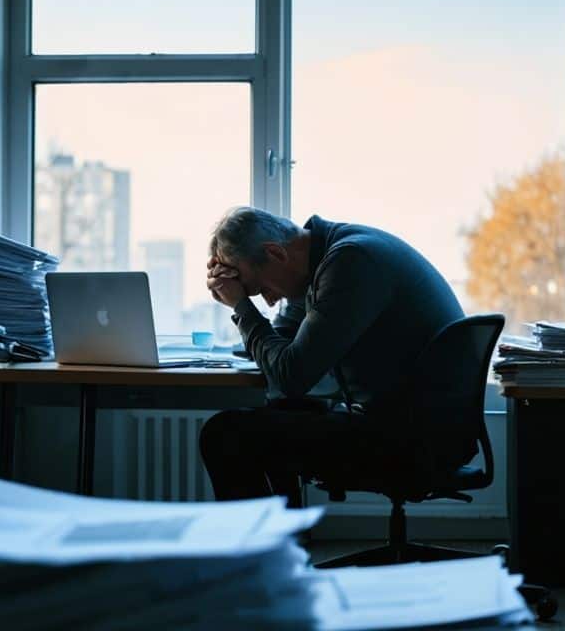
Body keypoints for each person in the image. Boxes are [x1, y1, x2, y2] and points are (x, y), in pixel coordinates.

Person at [199, 207, 466, 502]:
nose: (270, 300)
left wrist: (241, 307)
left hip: (416, 440)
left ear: (275, 253)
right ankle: (285, 537)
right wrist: (244, 306)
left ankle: (264, 545)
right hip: (408, 423)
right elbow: (283, 350)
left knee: (224, 435)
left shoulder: (351, 263)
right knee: (281, 411)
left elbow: (291, 375)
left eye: (261, 288)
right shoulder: (321, 261)